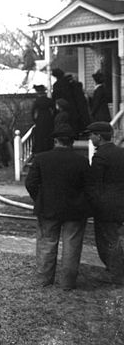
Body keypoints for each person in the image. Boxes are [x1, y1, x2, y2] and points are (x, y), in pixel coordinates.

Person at [25, 124, 91, 290]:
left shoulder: (41, 158)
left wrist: (40, 198)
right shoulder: (82, 161)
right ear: (72, 141)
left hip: (48, 208)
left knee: (47, 243)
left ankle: (44, 279)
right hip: (75, 210)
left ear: (55, 140)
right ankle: (68, 283)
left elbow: (31, 183)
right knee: (72, 245)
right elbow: (89, 187)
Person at [87, 121, 124, 285]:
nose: (90, 138)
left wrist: (93, 204)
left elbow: (94, 184)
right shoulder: (121, 152)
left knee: (107, 240)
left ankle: (115, 273)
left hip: (106, 206)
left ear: (99, 137)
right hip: (121, 201)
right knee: (117, 237)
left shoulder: (100, 156)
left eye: (91, 135)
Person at [31, 85, 55, 154]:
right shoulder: (49, 100)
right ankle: (48, 147)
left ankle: (40, 149)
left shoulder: (37, 101)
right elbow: (54, 109)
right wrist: (52, 117)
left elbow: (33, 111)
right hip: (48, 117)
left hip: (40, 118)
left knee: (40, 135)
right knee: (48, 134)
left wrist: (35, 120)